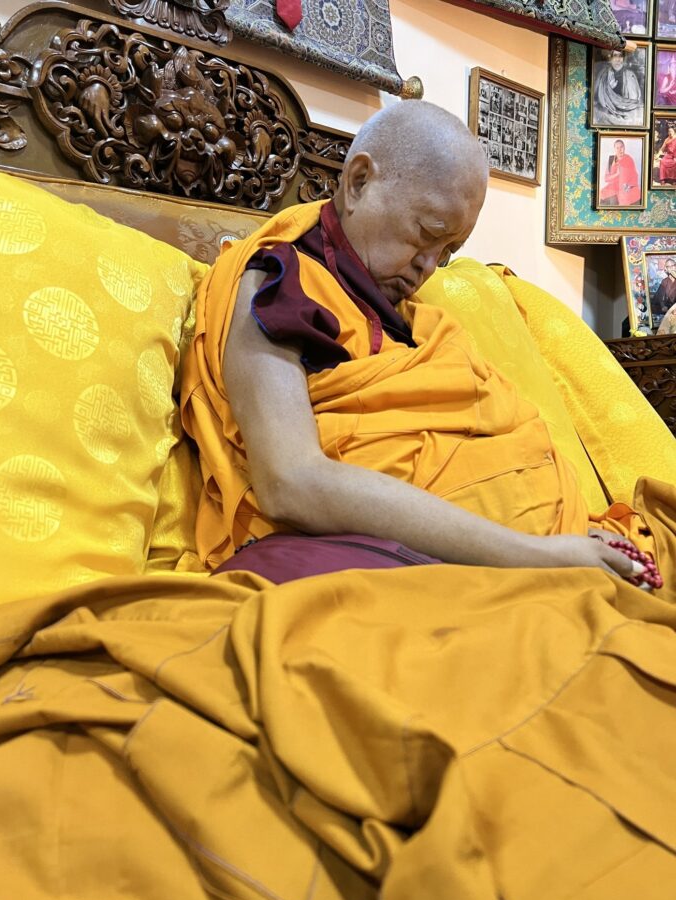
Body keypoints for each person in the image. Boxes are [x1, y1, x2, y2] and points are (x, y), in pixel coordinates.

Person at [182, 101, 654, 584]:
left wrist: (574, 536)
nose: (428, 266)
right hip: (427, 570)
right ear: (359, 182)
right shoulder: (278, 285)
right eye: (426, 234)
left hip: (536, 555)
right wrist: (539, 554)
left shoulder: (419, 324)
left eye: (448, 251)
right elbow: (291, 483)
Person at [593, 49, 643, 125]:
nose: (618, 59)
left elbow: (634, 100)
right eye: (615, 56)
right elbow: (596, 98)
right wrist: (609, 88)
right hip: (607, 113)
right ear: (610, 59)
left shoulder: (630, 75)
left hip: (628, 113)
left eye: (620, 56)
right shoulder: (603, 75)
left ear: (623, 59)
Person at [599, 139, 642, 205]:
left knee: (628, 196)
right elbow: (606, 178)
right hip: (614, 186)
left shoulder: (629, 159)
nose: (620, 150)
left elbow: (634, 175)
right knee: (602, 193)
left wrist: (628, 186)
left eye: (621, 147)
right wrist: (617, 174)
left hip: (625, 186)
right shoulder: (611, 159)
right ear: (615, 149)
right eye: (617, 148)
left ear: (624, 148)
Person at [651, 257, 676, 323]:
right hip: (667, 310)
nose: (670, 268)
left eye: (672, 266)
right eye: (668, 266)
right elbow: (660, 296)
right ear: (666, 269)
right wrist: (663, 306)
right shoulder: (664, 281)